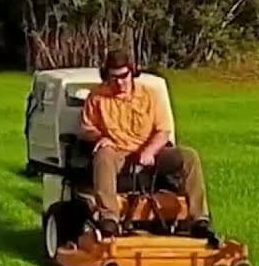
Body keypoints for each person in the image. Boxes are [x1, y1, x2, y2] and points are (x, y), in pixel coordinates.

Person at [79, 49, 218, 245]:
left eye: (124, 76)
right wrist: (100, 137)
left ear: (132, 72)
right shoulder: (97, 98)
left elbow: (163, 131)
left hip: (149, 151)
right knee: (103, 155)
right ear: (106, 75)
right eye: (114, 78)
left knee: (189, 156)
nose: (120, 82)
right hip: (118, 153)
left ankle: (199, 219)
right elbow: (86, 128)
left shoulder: (150, 96)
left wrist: (150, 151)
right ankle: (109, 218)